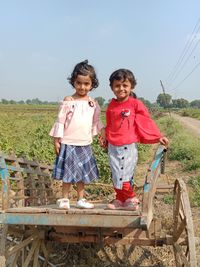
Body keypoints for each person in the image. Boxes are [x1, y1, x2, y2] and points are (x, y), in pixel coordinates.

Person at [99, 69, 169, 210]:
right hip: (113, 146)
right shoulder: (111, 106)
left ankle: (131, 199)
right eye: (117, 86)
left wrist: (157, 136)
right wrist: (105, 136)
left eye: (125, 85)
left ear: (132, 86)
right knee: (115, 174)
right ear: (112, 88)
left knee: (125, 174)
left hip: (128, 146)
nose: (121, 89)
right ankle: (120, 199)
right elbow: (110, 125)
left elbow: (145, 121)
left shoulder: (135, 104)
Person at [49, 60, 104, 209]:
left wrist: (101, 134)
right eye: (79, 83)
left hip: (84, 143)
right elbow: (60, 121)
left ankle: (81, 199)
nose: (82, 87)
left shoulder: (93, 103)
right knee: (68, 173)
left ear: (92, 84)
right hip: (68, 142)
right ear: (74, 82)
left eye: (86, 84)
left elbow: (96, 122)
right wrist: (56, 140)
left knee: (82, 174)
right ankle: (65, 199)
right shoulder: (69, 101)